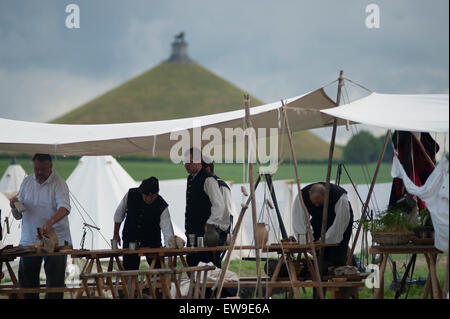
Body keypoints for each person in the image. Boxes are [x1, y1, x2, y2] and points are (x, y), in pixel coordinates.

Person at [9, 153, 72, 299]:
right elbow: (19, 215)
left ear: (50, 166)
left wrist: (51, 221)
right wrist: (14, 206)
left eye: (43, 169)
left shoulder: (59, 183)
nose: (39, 173)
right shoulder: (27, 182)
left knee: (55, 286)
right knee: (28, 285)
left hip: (56, 241)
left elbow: (65, 208)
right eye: (37, 169)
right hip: (29, 240)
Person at [113, 176, 174, 270]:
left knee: (158, 272)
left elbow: (168, 232)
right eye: (146, 195)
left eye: (153, 196)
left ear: (157, 193)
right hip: (130, 240)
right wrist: (116, 234)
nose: (149, 199)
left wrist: (170, 257)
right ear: (141, 192)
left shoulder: (162, 206)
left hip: (152, 242)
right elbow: (119, 214)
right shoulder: (131, 195)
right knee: (130, 272)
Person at [292, 182, 354, 272]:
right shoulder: (302, 197)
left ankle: (338, 275)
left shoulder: (340, 197)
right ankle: (320, 277)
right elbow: (299, 222)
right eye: (314, 202)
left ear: (326, 196)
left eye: (319, 202)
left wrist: (323, 242)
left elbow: (339, 225)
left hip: (341, 221)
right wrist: (308, 242)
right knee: (320, 256)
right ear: (309, 193)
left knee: (337, 254)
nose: (316, 205)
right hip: (319, 221)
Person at [184, 148, 227, 268]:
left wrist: (210, 223)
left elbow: (219, 205)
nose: (187, 165)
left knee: (209, 267)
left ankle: (217, 288)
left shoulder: (208, 180)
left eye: (190, 162)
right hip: (192, 234)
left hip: (206, 234)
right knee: (192, 264)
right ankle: (195, 287)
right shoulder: (190, 179)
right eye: (185, 162)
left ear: (198, 162)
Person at [202, 157, 236, 263]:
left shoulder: (221, 186)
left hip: (216, 233)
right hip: (204, 232)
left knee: (213, 265)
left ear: (207, 169)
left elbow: (225, 212)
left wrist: (216, 232)